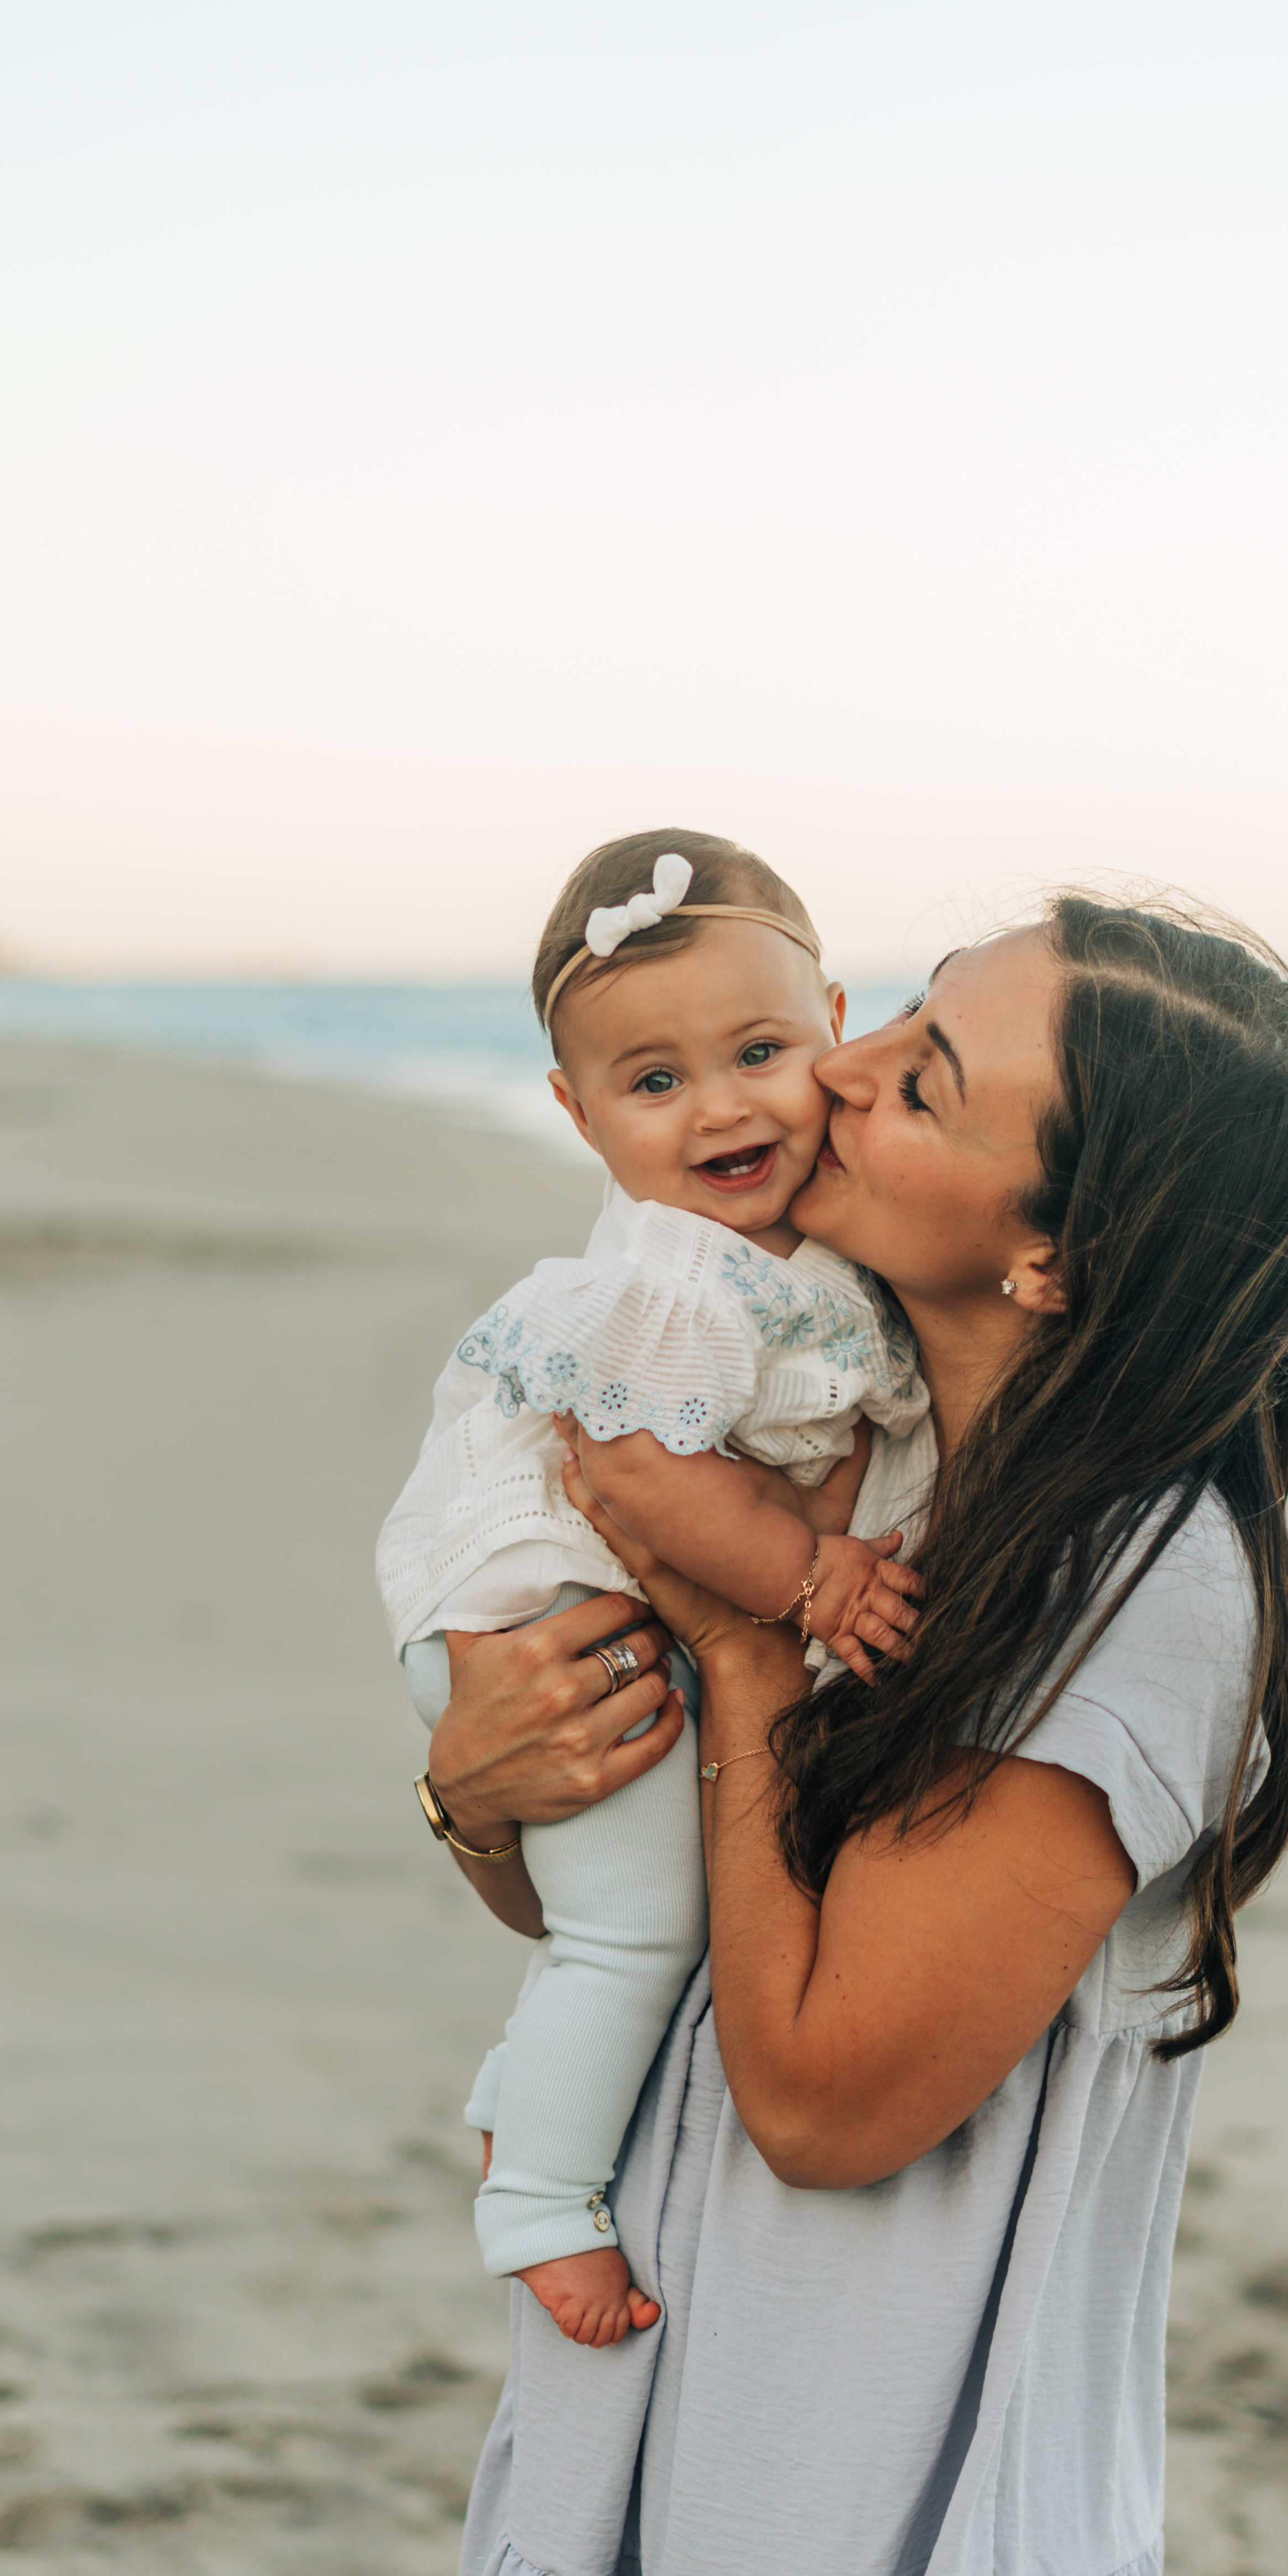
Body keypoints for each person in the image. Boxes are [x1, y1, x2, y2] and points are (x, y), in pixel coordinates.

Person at [414, 894, 1288, 2576]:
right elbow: (628, 1924)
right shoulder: (845, 1430)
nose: (832, 1075)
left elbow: (830, 2091)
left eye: (924, 1079)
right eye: (899, 1021)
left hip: (872, 2500)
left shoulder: (1140, 1584)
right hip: (675, 2390)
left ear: (1053, 1253)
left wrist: (746, 1672)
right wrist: (479, 1787)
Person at [380, 833, 930, 2350]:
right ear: (577, 1110)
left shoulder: (786, 1248)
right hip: (535, 1620)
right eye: (655, 1083)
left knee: (622, 1918)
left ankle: (515, 2094)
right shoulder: (677, 1275)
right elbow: (639, 1473)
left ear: (834, 1017)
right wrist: (814, 1575)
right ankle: (542, 2203)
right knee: (636, 1933)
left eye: (760, 1051)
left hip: (577, 1617)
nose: (723, 1108)